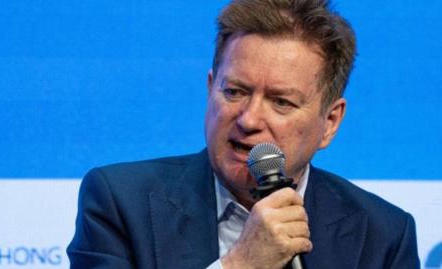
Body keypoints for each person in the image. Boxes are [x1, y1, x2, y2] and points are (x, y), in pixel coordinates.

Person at [67, 0, 420, 268]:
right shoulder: (121, 203)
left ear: (329, 122)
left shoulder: (382, 235)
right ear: (210, 89)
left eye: (281, 102)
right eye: (234, 92)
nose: (249, 119)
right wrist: (241, 264)